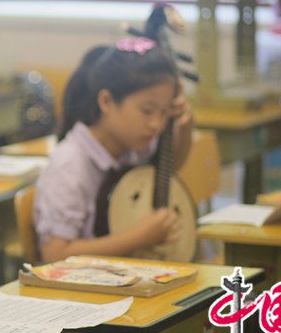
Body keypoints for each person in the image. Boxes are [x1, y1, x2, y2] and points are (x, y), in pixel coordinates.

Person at [33, 36, 195, 263]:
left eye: (164, 112)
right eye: (147, 111)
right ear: (107, 101)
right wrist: (138, 238)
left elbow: (167, 172)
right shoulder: (70, 164)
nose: (156, 124)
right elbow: (54, 254)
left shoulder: (131, 146)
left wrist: (184, 127)